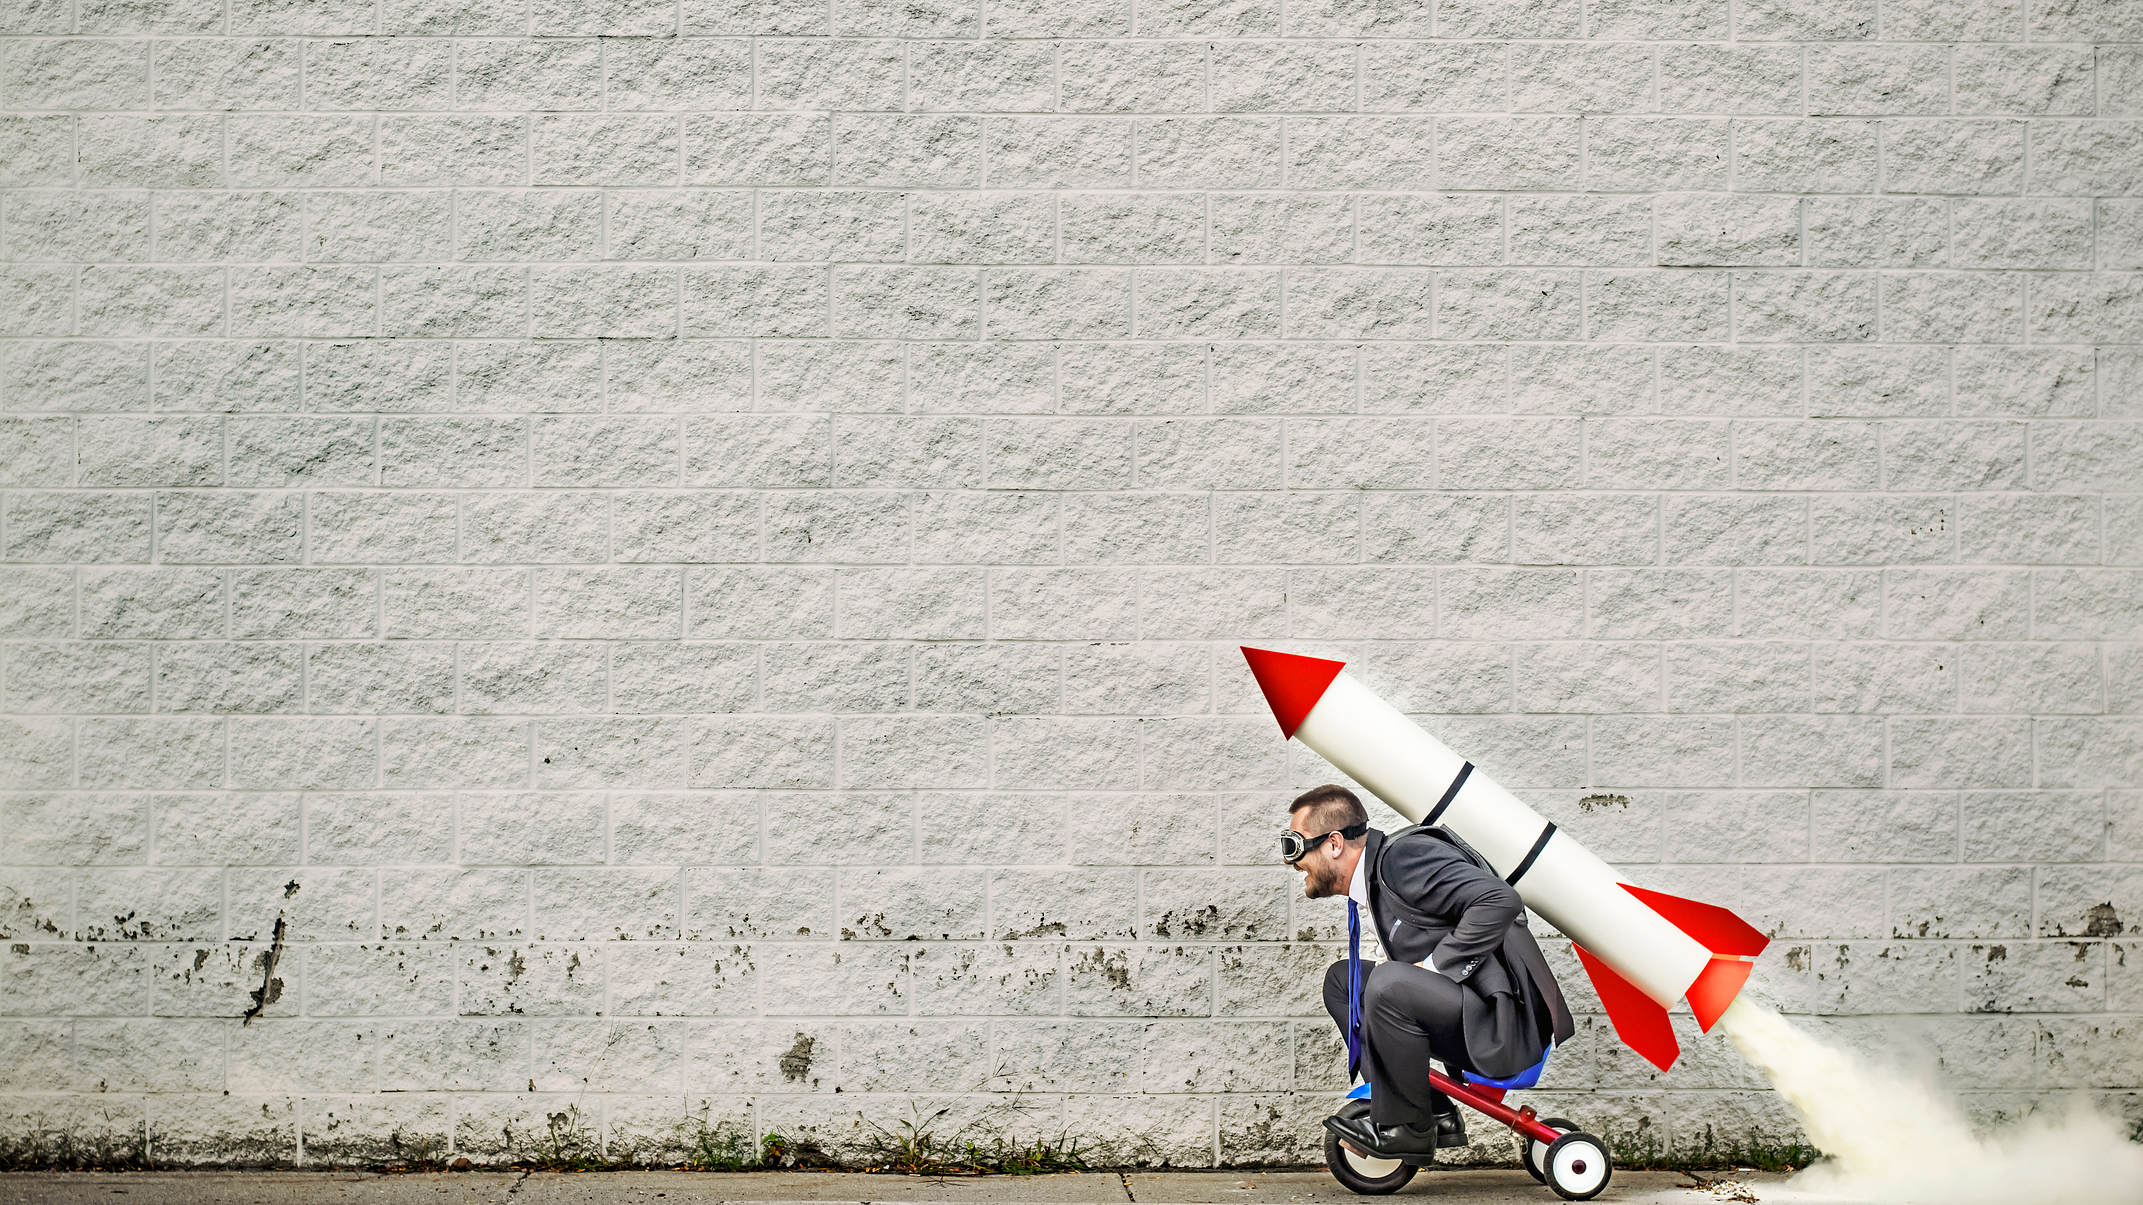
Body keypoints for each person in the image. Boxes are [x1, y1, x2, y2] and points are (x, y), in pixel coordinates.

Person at [1283, 783, 1574, 1159]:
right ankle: (1432, 1112)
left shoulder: (1402, 857)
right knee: (1344, 982)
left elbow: (1499, 900)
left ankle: (1406, 1127)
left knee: (1388, 982)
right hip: (1469, 1012)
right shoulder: (1378, 878)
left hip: (1502, 1026)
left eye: (1296, 846)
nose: (1292, 862)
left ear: (1334, 843)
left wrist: (1435, 966)